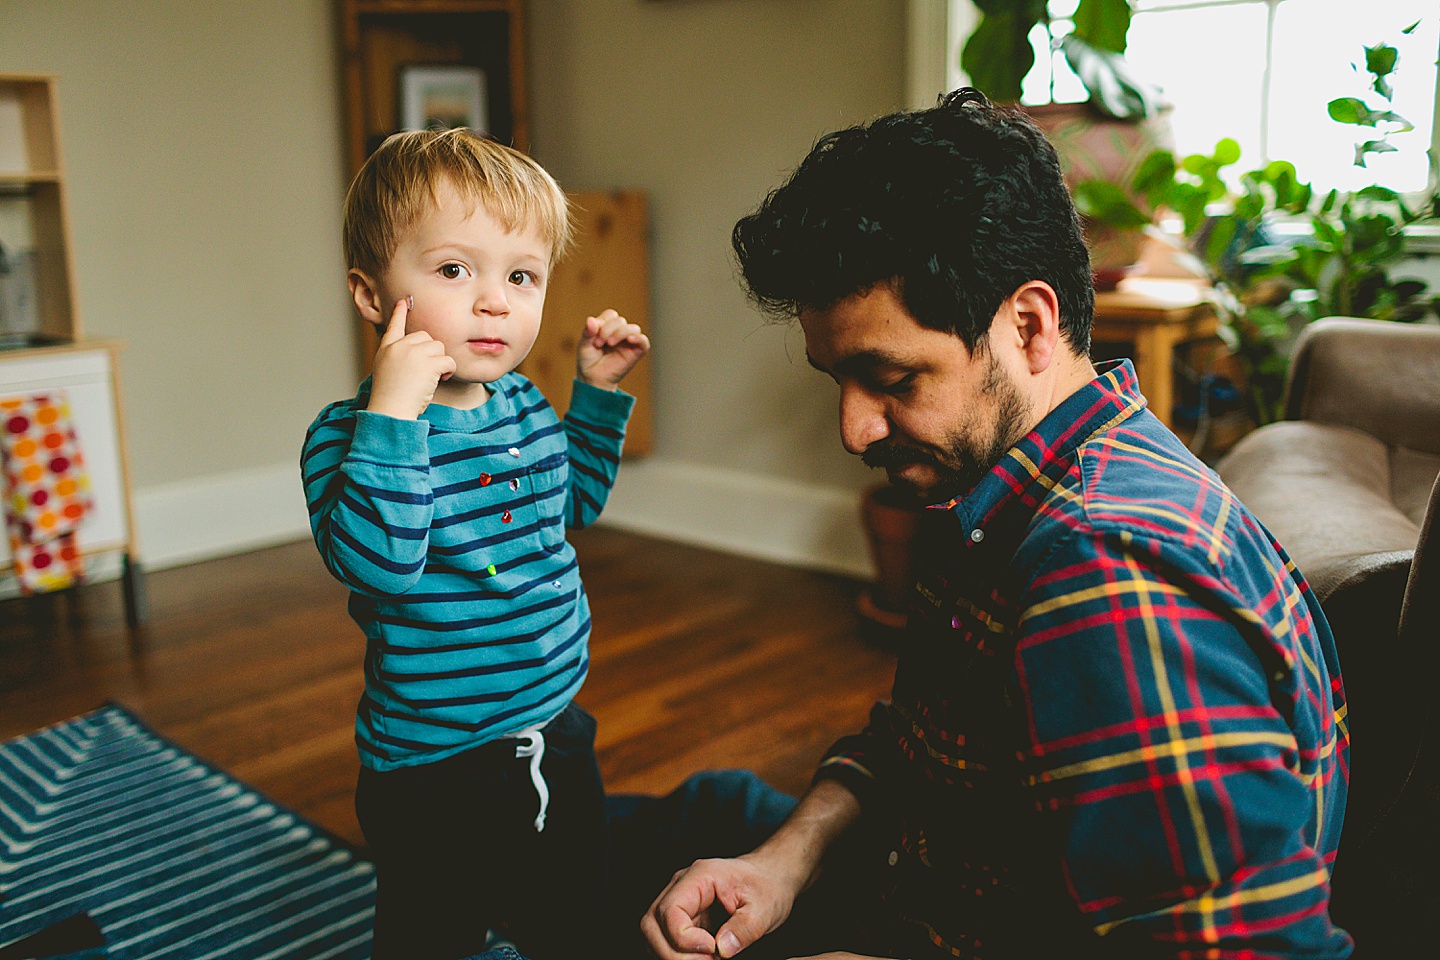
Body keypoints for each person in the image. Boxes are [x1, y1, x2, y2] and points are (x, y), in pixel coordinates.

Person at [640, 89, 1352, 960]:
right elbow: (924, 735)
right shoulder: (1010, 478)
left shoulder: (1103, 581)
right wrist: (787, 859)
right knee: (684, 815)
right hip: (914, 867)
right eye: (838, 379)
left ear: (1028, 325)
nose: (853, 429)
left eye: (891, 378)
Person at [300, 128, 649, 960]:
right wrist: (393, 419)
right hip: (433, 766)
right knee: (432, 933)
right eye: (455, 270)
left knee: (573, 913)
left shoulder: (524, 406)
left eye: (520, 276)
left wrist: (594, 398)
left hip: (553, 726)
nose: (496, 300)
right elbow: (383, 565)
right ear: (372, 293)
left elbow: (572, 506)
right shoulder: (346, 438)